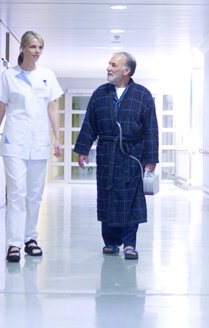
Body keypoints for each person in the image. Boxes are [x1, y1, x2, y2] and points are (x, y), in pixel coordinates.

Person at [74, 52, 159, 260]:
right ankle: (110, 242)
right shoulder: (100, 94)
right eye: (109, 64)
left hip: (133, 156)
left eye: (113, 65)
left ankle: (130, 244)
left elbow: (151, 128)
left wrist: (151, 157)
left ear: (126, 70)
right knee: (107, 196)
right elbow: (89, 124)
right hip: (107, 154)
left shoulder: (143, 95)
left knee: (131, 199)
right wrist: (83, 149)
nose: (108, 68)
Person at [0, 31, 63, 263]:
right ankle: (14, 244)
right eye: (32, 47)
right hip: (14, 143)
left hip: (39, 142)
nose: (37, 51)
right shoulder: (9, 76)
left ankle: (30, 238)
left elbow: (52, 108)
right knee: (17, 193)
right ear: (22, 48)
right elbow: (1, 109)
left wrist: (57, 138)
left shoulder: (47, 75)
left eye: (40, 47)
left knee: (34, 195)